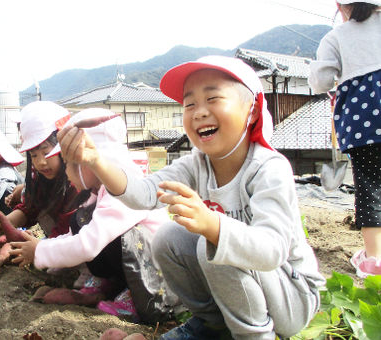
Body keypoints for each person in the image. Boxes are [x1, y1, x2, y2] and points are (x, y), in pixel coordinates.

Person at [57, 57, 325, 338]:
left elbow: (273, 251)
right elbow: (145, 194)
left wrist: (213, 225)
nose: (199, 112)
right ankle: (212, 325)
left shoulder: (268, 168)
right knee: (168, 239)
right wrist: (96, 160)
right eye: (190, 104)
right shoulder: (197, 164)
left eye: (213, 98)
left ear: (253, 110)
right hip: (244, 290)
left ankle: (254, 335)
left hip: (292, 297)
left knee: (213, 247)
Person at [9, 108, 179, 324]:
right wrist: (43, 256)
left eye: (69, 163)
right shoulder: (95, 194)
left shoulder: (123, 190)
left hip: (162, 278)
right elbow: (73, 236)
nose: (67, 172)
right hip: (133, 265)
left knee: (126, 236)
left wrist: (40, 250)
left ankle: (140, 299)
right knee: (79, 219)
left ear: (88, 161)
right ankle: (109, 284)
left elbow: (88, 244)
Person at [309, 0, 381, 278]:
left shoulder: (336, 36)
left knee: (371, 183)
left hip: (364, 119)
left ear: (340, 5)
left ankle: (374, 260)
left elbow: (321, 81)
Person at [0, 101, 82, 273]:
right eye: (33, 155)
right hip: (58, 240)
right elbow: (30, 209)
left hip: (77, 246)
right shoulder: (42, 178)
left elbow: (66, 227)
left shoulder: (77, 183)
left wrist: (33, 249)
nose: (40, 162)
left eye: (47, 152)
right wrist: (2, 227)